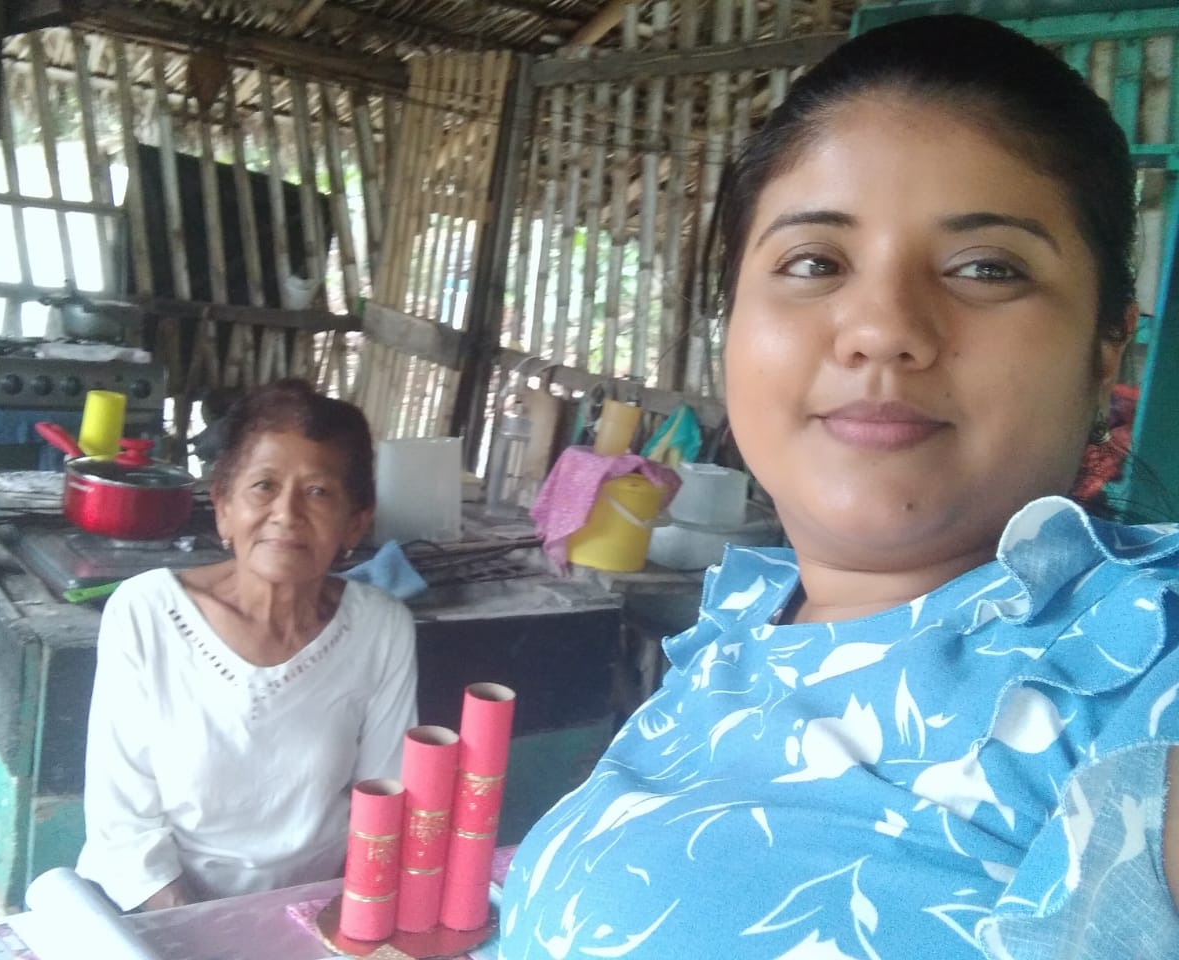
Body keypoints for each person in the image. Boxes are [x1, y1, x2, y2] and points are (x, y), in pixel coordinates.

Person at [498, 14, 1179, 960]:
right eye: (814, 263)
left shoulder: (1142, 675)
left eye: (986, 269)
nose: (883, 328)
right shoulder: (740, 629)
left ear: (1107, 346)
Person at [76, 378, 418, 911]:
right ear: (223, 508)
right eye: (263, 486)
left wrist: (338, 924)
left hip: (313, 911)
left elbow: (384, 804)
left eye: (318, 492)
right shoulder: (145, 614)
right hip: (156, 911)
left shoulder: (381, 628)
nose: (287, 513)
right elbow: (123, 827)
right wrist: (197, 932)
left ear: (355, 523)